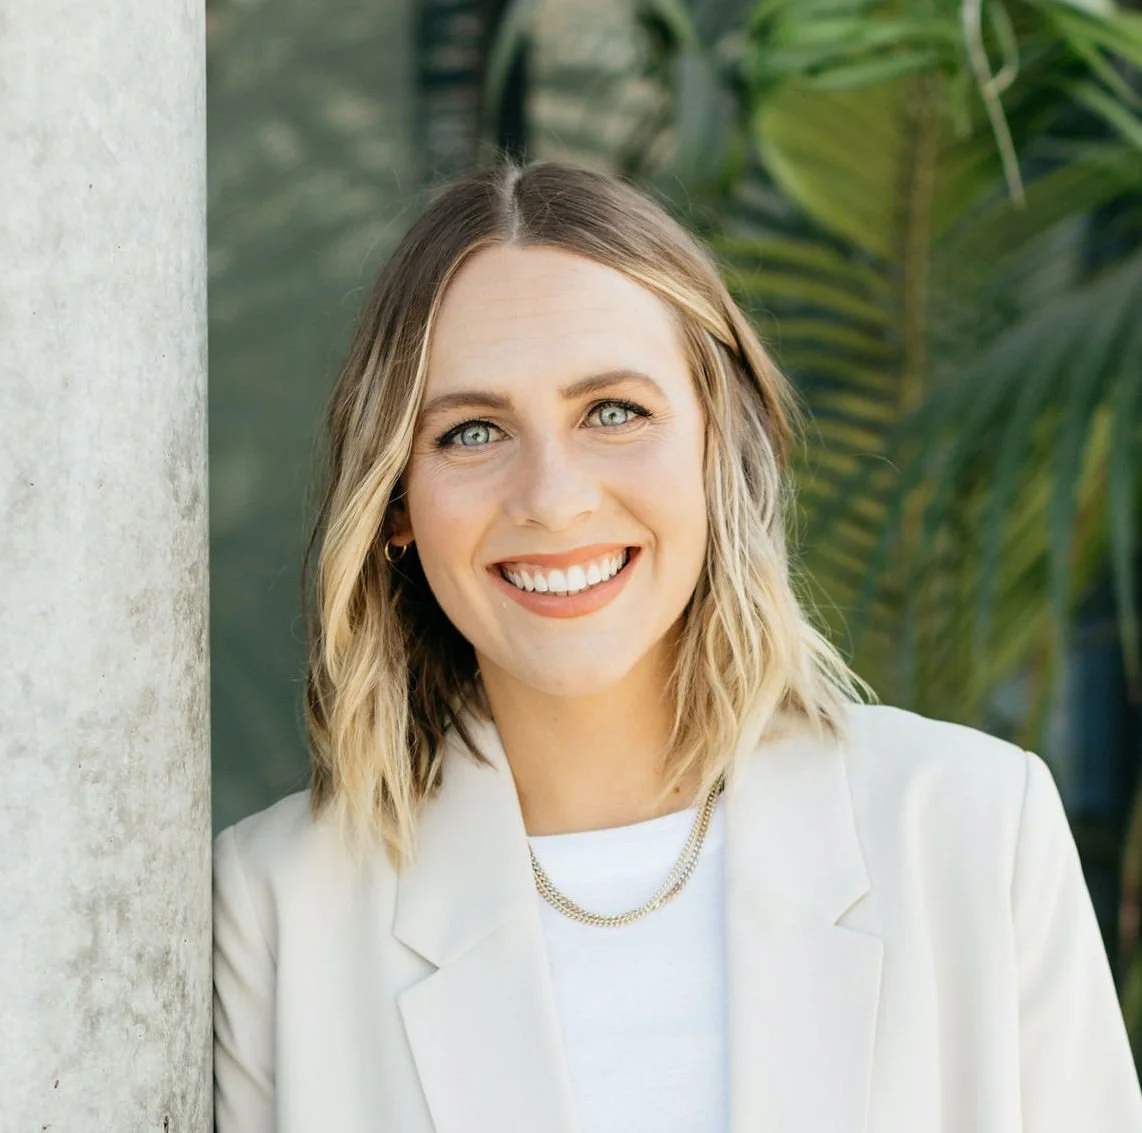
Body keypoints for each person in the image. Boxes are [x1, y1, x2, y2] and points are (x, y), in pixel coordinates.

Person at [212, 159, 1142, 1133]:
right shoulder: (279, 907)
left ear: (716, 444)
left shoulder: (969, 825)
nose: (552, 496)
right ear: (397, 503)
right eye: (473, 430)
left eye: (612, 412)